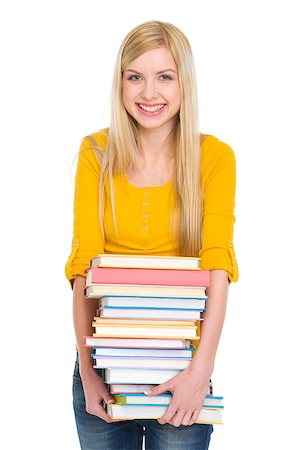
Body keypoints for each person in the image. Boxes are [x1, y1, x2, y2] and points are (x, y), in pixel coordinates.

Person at [65, 20, 239, 450]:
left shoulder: (214, 158)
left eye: (165, 77)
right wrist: (88, 371)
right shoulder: (96, 154)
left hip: (181, 365)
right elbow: (83, 265)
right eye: (135, 77)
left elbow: (218, 264)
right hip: (102, 365)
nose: (148, 93)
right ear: (120, 83)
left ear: (184, 83)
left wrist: (201, 371)